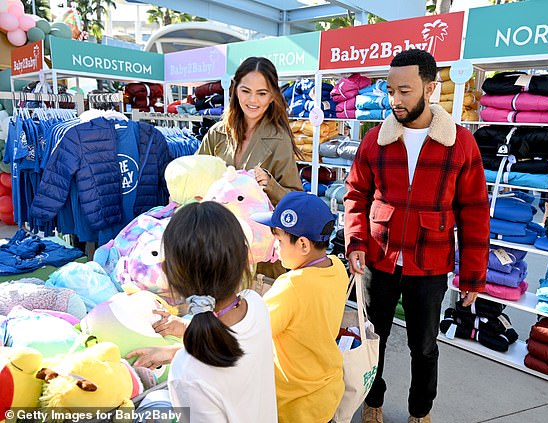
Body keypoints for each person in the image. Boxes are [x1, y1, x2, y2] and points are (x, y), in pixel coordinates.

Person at [344, 49, 489, 423]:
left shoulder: (459, 143)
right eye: (390, 90)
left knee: (424, 347)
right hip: (380, 258)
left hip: (431, 263)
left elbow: (473, 211)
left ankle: (420, 412)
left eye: (405, 91)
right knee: (373, 341)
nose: (395, 100)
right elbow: (356, 194)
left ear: (430, 88)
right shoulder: (375, 138)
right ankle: (371, 402)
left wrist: (472, 275)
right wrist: (356, 241)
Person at [127, 201, 277, 423]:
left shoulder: (188, 371)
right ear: (245, 258)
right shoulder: (255, 305)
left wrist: (181, 354)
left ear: (168, 270)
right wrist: (177, 349)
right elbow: (233, 345)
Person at [251, 191, 348, 423]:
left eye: (280, 240)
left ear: (303, 244)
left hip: (293, 404)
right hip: (326, 391)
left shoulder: (292, 286)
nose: (275, 247)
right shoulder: (336, 268)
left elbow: (249, 332)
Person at [196, 56, 302, 206]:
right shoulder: (216, 133)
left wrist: (270, 185)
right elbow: (195, 176)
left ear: (272, 96)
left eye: (262, 93)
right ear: (235, 90)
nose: (253, 100)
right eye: (246, 91)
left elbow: (296, 199)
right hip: (214, 225)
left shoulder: (279, 140)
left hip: (255, 228)